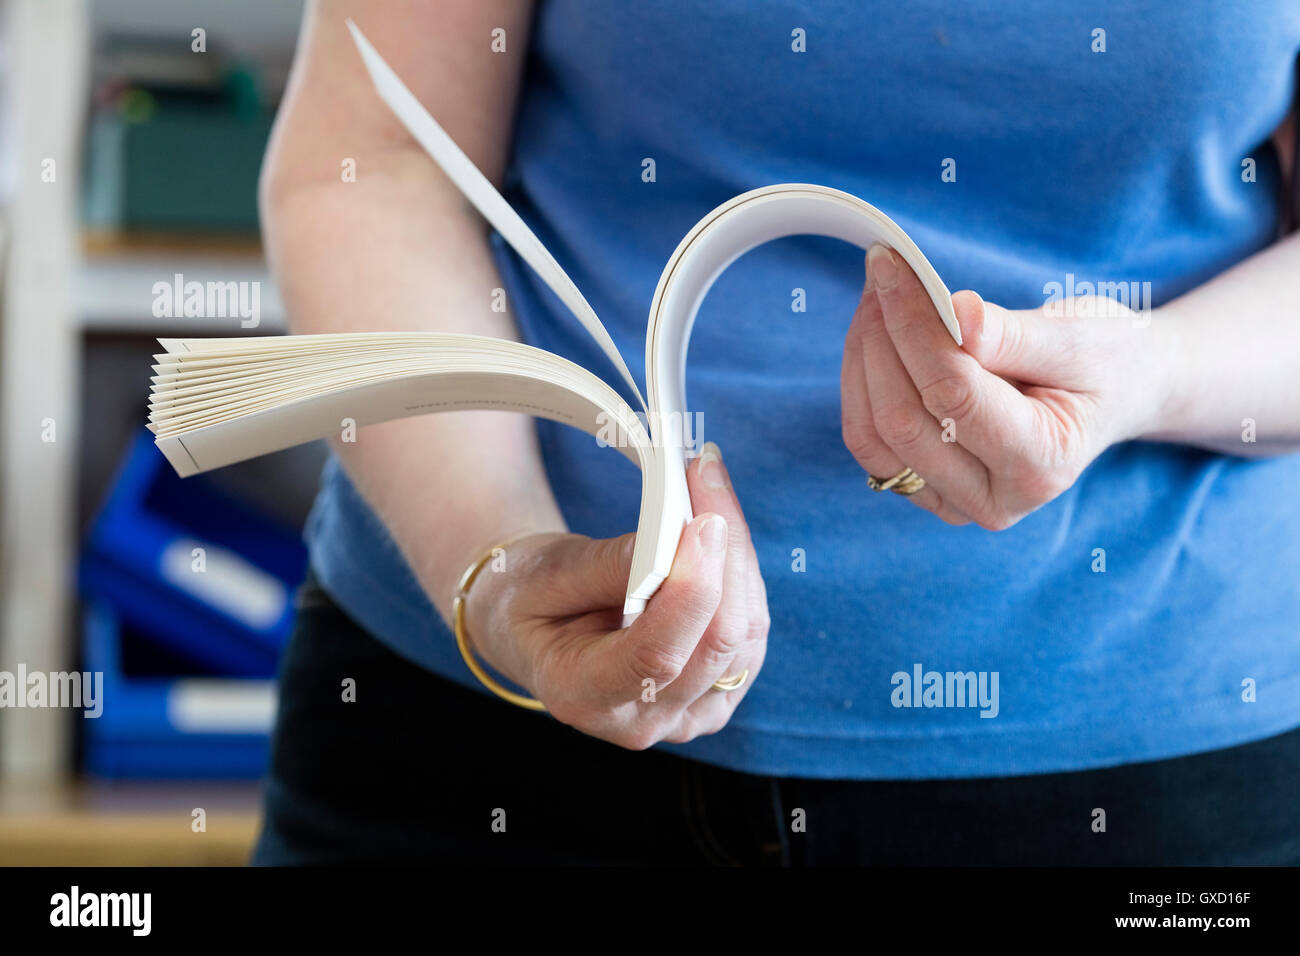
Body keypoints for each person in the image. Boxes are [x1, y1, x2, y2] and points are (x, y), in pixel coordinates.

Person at [252, 0, 1300, 865]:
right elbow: (378, 162)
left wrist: (1154, 374)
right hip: (483, 723)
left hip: (1146, 764)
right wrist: (499, 562)